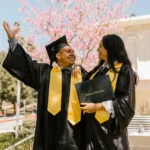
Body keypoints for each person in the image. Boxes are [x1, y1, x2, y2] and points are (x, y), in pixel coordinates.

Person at [2, 21, 87, 150]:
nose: (72, 53)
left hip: (75, 137)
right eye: (68, 51)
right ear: (58, 56)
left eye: (73, 51)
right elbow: (27, 64)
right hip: (49, 137)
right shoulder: (44, 73)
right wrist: (12, 40)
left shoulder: (80, 74)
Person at [80, 34, 136, 150]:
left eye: (100, 46)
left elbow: (126, 103)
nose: (97, 49)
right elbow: (86, 85)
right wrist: (76, 67)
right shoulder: (98, 70)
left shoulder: (124, 70)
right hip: (92, 128)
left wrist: (97, 106)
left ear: (110, 48)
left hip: (110, 131)